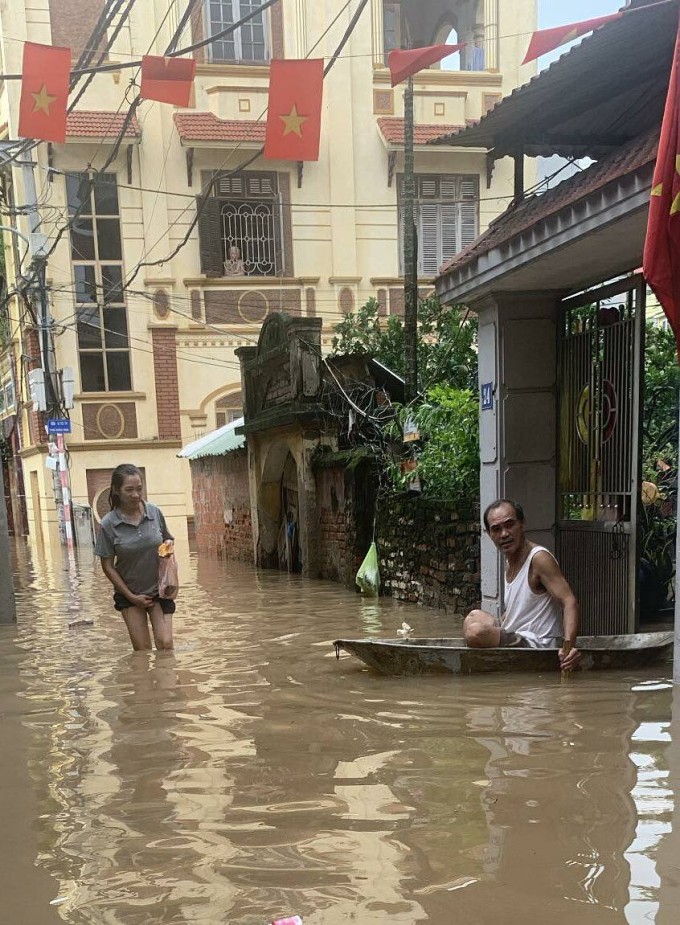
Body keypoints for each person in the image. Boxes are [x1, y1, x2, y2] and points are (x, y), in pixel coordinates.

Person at [464, 499, 580, 670]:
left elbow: (569, 601)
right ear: (489, 534)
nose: (504, 534)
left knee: (475, 633)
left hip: (536, 643)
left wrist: (569, 647)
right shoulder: (510, 561)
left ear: (522, 524)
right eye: (496, 529)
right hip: (517, 634)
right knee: (474, 616)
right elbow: (521, 606)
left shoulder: (539, 558)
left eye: (510, 525)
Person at [95, 464, 175, 652]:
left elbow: (167, 538)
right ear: (116, 490)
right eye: (129, 490)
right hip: (129, 594)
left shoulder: (154, 513)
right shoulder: (109, 524)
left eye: (139, 489)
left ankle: (168, 681)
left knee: (165, 644)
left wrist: (169, 546)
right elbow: (107, 566)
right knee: (142, 651)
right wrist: (131, 596)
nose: (135, 495)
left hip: (159, 591)